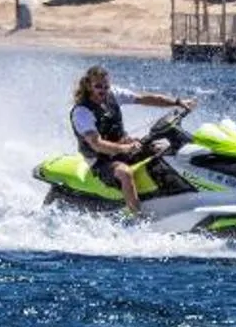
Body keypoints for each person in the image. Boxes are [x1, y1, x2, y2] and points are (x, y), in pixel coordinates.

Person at [70, 65, 191, 216]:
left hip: (122, 148)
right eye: (98, 86)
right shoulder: (82, 112)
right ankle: (137, 218)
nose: (103, 90)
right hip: (100, 160)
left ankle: (175, 194)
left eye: (106, 86)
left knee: (163, 148)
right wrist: (125, 149)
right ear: (88, 85)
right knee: (125, 173)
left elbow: (144, 98)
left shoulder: (113, 94)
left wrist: (177, 102)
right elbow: (97, 144)